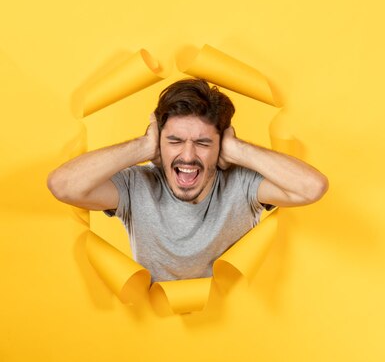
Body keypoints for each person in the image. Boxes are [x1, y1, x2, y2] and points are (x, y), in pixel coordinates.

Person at [48, 78, 328, 282]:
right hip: (154, 330)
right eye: (175, 140)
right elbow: (63, 185)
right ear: (160, 142)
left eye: (203, 143)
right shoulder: (137, 186)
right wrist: (142, 147)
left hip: (236, 329)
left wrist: (238, 149)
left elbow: (312, 188)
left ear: (221, 146)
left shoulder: (242, 185)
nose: (188, 155)